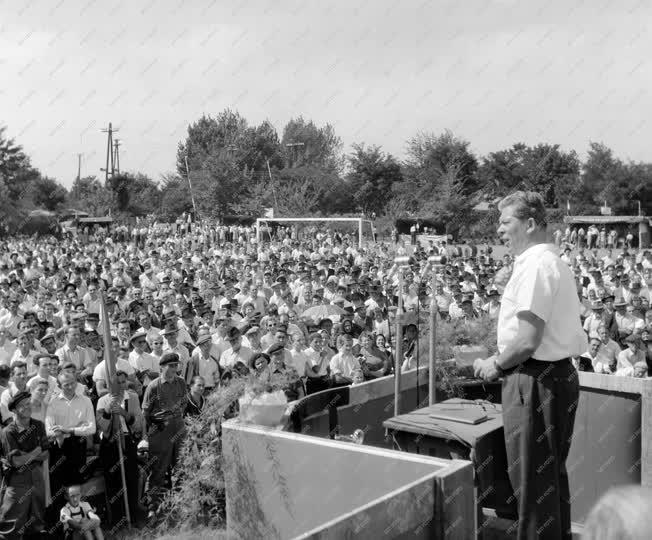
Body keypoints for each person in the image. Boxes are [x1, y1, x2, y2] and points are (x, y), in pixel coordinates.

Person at [474, 191, 586, 540]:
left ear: (531, 223)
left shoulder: (537, 265)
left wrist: (494, 363)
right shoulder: (546, 262)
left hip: (535, 379)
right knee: (547, 479)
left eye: (506, 222)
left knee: (534, 482)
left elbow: (526, 340)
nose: (499, 230)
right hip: (549, 378)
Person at [140, 352, 188, 519]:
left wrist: (177, 417)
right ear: (162, 367)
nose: (175, 369)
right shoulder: (153, 386)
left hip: (179, 428)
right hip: (160, 431)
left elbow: (184, 402)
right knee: (158, 470)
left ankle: (179, 504)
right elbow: (145, 412)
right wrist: (151, 429)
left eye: (176, 365)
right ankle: (153, 506)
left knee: (181, 467)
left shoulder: (181, 382)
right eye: (171, 366)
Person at [95, 370, 143, 527]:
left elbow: (138, 425)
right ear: (110, 385)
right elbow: (101, 426)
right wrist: (108, 411)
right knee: (113, 482)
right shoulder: (102, 401)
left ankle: (133, 516)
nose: (121, 386)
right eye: (117, 383)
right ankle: (116, 519)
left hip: (127, 441)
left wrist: (123, 413)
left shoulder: (133, 397)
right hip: (109, 444)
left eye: (123, 382)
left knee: (131, 478)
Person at [0, 391, 50, 538]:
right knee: (12, 520)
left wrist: (25, 455)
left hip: (37, 476)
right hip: (17, 480)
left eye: (29, 404)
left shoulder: (39, 425)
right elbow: (16, 462)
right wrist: (35, 452)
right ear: (14, 410)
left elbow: (46, 454)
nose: (27, 407)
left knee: (37, 518)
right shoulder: (8, 431)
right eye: (22, 406)